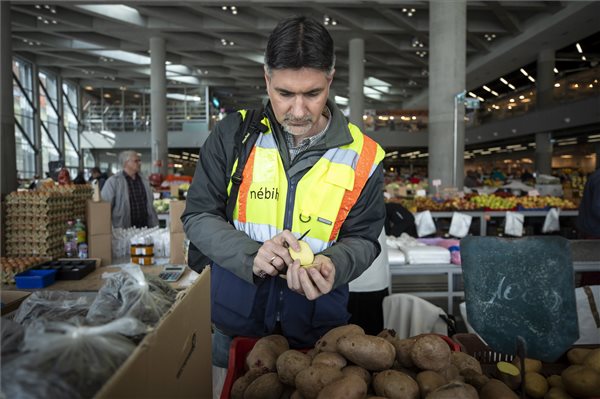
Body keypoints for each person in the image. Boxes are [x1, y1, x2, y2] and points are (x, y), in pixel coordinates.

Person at [182, 16, 385, 371]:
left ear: (330, 80)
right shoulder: (233, 136)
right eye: (284, 93)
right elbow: (198, 216)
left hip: (318, 330)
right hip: (235, 325)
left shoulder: (362, 155)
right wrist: (251, 255)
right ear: (266, 79)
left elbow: (365, 238)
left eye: (313, 93)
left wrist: (334, 264)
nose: (298, 110)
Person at [101, 150, 158, 228]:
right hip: (124, 230)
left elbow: (150, 203)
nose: (139, 163)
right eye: (136, 161)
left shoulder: (144, 180)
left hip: (145, 228)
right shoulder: (114, 182)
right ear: (126, 163)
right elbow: (104, 208)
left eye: (139, 161)